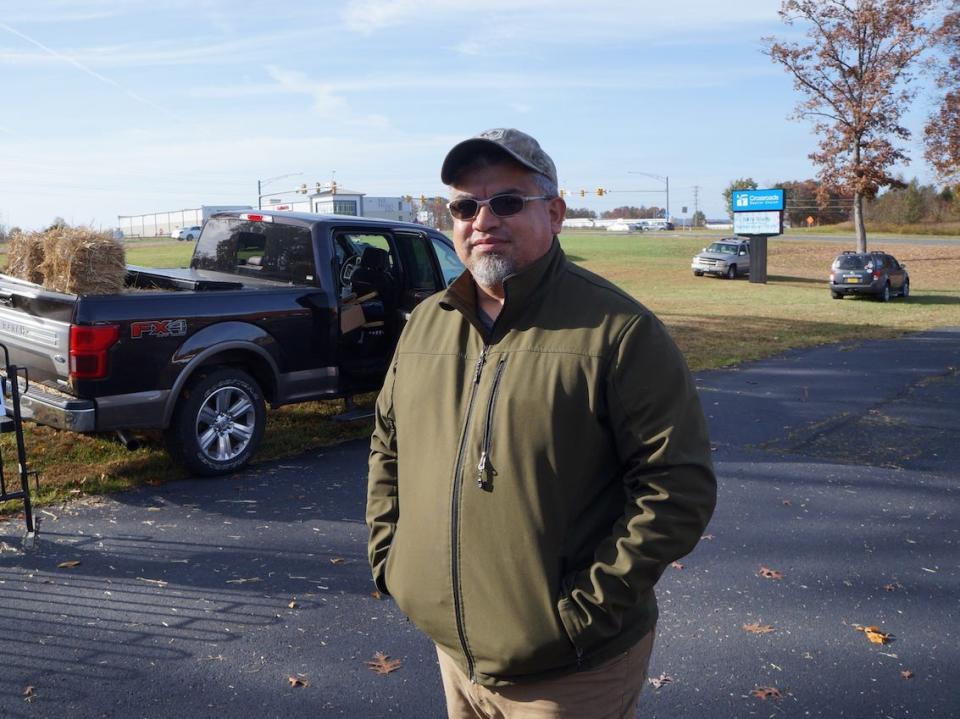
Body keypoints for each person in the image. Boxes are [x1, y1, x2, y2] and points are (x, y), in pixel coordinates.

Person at [367, 128, 716, 718]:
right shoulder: (427, 322)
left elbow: (675, 487)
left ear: (554, 212)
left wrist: (582, 614)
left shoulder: (618, 331)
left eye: (506, 201)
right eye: (463, 205)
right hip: (453, 652)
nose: (483, 220)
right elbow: (388, 444)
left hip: (569, 671)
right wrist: (391, 559)